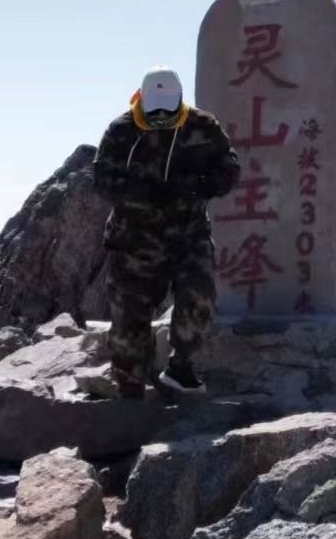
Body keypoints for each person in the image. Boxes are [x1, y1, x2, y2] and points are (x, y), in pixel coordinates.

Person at [92, 67, 239, 397]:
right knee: (129, 319)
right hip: (133, 241)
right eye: (153, 110)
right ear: (141, 100)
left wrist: (196, 186)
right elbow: (102, 180)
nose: (160, 116)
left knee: (198, 298)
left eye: (167, 111)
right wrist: (144, 194)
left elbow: (229, 169)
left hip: (188, 236)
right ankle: (130, 388)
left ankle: (181, 366)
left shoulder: (203, 126)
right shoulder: (121, 131)